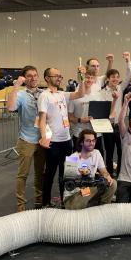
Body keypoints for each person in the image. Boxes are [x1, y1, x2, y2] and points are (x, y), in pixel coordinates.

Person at [38, 67, 85, 207]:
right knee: (50, 174)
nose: (59, 78)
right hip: (53, 142)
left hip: (67, 141)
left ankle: (66, 202)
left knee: (67, 173)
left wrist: (81, 77)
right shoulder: (44, 96)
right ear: (47, 78)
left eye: (60, 76)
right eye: (56, 76)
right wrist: (44, 138)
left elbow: (80, 93)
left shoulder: (62, 94)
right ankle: (45, 203)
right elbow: (42, 119)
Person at [7, 65, 45, 212]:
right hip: (26, 140)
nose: (33, 78)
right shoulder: (21, 94)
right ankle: (21, 205)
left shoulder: (43, 93)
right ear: (24, 78)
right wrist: (16, 86)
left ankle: (39, 200)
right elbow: (10, 108)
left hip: (42, 139)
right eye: (29, 75)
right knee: (23, 174)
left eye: (35, 75)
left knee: (40, 173)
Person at [99, 52, 131, 177]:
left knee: (120, 151)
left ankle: (120, 173)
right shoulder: (101, 92)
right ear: (107, 78)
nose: (115, 79)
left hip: (119, 125)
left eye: (117, 77)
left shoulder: (120, 88)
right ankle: (109, 175)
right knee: (109, 151)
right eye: (112, 77)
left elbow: (129, 75)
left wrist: (128, 60)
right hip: (107, 126)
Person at [63, 129, 116, 210]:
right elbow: (68, 185)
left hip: (90, 191)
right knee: (87, 193)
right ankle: (91, 205)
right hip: (74, 196)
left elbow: (104, 171)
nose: (91, 143)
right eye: (88, 141)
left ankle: (103, 208)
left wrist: (107, 176)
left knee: (112, 183)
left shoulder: (97, 153)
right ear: (81, 142)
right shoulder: (72, 159)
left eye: (93, 141)